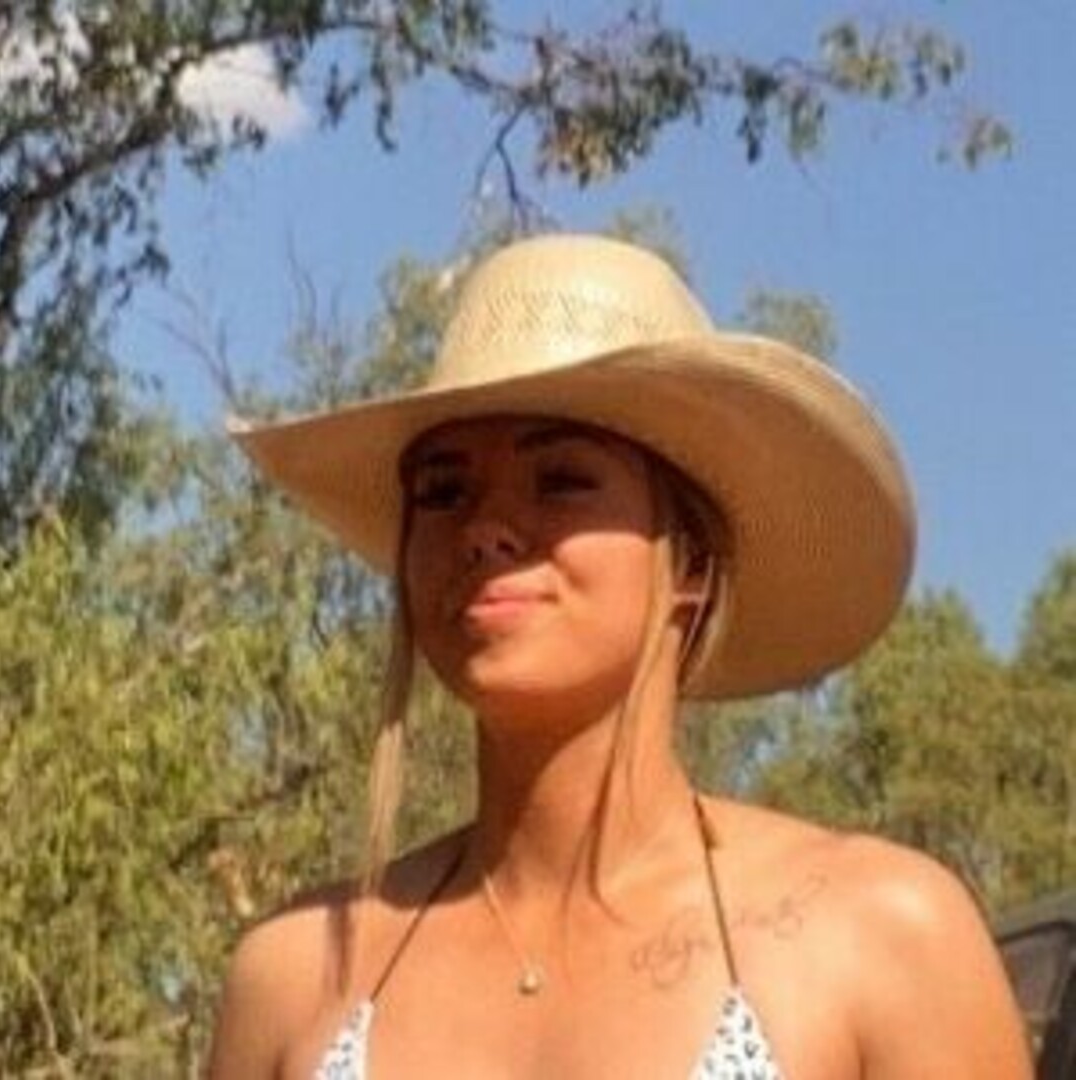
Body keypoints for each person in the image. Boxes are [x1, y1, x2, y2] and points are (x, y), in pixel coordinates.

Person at [210, 234, 1032, 1079]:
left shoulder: (877, 938)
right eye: (444, 491)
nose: (485, 528)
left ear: (693, 564)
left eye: (562, 479)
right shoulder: (294, 977)